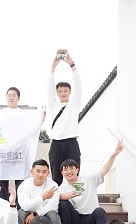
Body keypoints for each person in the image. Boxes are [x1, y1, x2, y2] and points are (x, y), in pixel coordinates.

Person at [58, 141, 124, 224]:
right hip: (75, 220)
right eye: (66, 169)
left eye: (71, 168)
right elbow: (58, 196)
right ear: (62, 173)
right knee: (63, 202)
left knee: (100, 211)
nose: (69, 172)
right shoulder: (62, 187)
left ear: (77, 169)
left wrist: (114, 155)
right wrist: (69, 195)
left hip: (90, 220)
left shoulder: (88, 179)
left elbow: (104, 170)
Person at [47, 51, 82, 186]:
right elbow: (49, 89)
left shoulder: (74, 104)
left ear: (70, 92)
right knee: (56, 174)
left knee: (74, 173)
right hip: (56, 143)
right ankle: (57, 197)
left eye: (65, 90)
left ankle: (78, 196)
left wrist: (72, 66)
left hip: (71, 142)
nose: (63, 93)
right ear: (57, 93)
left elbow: (78, 86)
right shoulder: (53, 105)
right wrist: (53, 68)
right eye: (60, 91)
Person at [17, 159, 63, 224]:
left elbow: (53, 206)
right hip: (28, 214)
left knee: (53, 214)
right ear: (32, 172)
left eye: (44, 172)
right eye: (38, 171)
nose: (40, 174)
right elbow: (24, 205)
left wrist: (36, 213)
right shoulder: (24, 185)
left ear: (48, 173)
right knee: (20, 213)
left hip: (45, 214)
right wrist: (43, 197)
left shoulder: (53, 185)